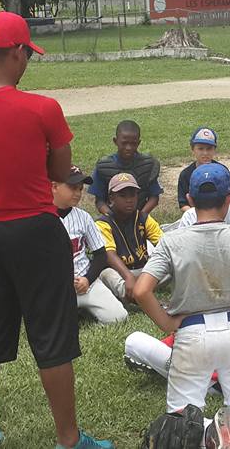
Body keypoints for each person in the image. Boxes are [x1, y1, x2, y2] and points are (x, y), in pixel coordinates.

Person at [0, 11, 110, 448]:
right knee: (52, 336)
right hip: (35, 228)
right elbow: (60, 171)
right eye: (27, 54)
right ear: (17, 52)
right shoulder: (43, 108)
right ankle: (69, 440)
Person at [131, 163, 230, 447]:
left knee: (180, 417)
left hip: (192, 332)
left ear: (190, 201)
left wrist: (167, 323)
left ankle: (207, 433)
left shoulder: (173, 240)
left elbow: (141, 290)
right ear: (229, 198)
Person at [52, 166, 128, 325]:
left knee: (119, 317)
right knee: (49, 324)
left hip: (86, 284)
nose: (78, 193)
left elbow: (101, 255)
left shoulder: (83, 218)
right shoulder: (39, 218)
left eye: (80, 188)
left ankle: (83, 310)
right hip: (56, 289)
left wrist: (88, 279)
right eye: (72, 187)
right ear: (54, 186)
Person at [94, 173, 161, 302]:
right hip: (120, 273)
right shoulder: (103, 223)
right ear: (111, 198)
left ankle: (137, 293)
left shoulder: (143, 217)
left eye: (133, 195)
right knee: (107, 274)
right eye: (122, 196)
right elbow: (109, 254)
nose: (129, 200)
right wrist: (128, 276)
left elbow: (163, 244)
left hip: (144, 271)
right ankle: (140, 298)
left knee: (172, 266)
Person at [89, 120, 161, 216]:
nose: (128, 147)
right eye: (124, 143)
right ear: (115, 141)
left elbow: (154, 197)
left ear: (138, 143)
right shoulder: (104, 166)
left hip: (140, 215)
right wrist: (111, 218)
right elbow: (99, 201)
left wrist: (141, 216)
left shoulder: (148, 165)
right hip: (112, 217)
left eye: (133, 143)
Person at [177, 126, 220, 212]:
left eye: (209, 149)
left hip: (219, 215)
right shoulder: (186, 174)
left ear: (214, 150)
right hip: (194, 216)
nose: (205, 153)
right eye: (200, 148)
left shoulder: (221, 172)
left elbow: (229, 199)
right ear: (192, 149)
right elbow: (183, 204)